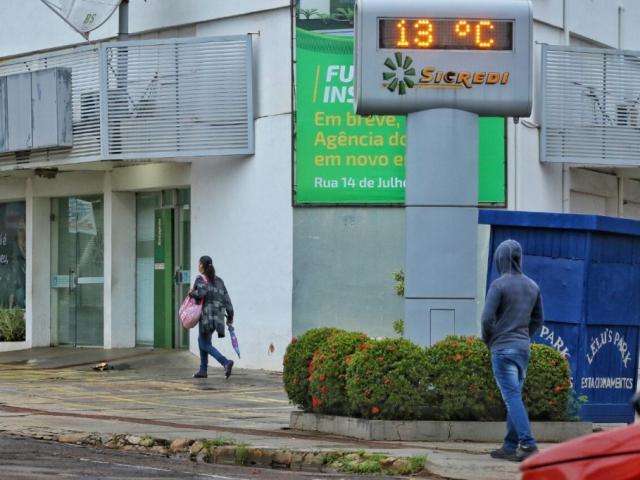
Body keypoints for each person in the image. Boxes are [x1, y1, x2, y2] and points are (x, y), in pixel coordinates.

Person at [481, 239, 544, 462]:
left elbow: (487, 318)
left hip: (503, 349)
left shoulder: (498, 285)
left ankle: (528, 444)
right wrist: (525, 336)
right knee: (514, 397)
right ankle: (509, 447)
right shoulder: (533, 286)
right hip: (522, 349)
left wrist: (490, 340)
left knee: (511, 398)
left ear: (500, 258)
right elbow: (538, 319)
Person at [190, 256, 234, 379]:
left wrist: (191, 293)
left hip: (206, 318)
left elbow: (201, 294)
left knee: (203, 343)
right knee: (205, 341)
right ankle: (203, 370)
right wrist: (230, 316)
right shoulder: (219, 281)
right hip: (218, 318)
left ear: (203, 266)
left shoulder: (200, 279)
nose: (198, 266)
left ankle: (225, 362)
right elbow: (227, 300)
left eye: (199, 264)